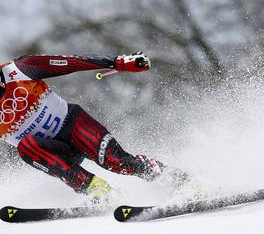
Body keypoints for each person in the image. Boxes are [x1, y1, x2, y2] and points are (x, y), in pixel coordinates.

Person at [0, 52, 164, 199]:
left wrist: (116, 62)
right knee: (26, 146)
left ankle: (172, 177)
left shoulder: (21, 68)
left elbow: (69, 62)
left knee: (115, 161)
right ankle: (96, 190)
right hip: (56, 153)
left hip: (74, 125)